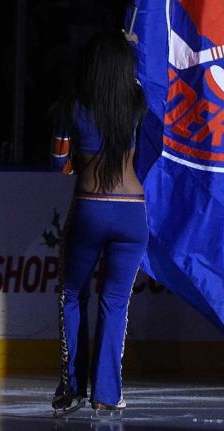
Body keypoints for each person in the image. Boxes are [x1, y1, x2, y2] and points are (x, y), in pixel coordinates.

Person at [49, 30, 147, 419]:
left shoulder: (73, 107)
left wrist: (78, 163)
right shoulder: (137, 103)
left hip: (90, 207)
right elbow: (146, 76)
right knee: (116, 301)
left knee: (71, 294)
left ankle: (72, 388)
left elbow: (59, 163)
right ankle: (107, 393)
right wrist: (134, 48)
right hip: (132, 212)